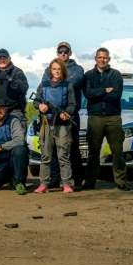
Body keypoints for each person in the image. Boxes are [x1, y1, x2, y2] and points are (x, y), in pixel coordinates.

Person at [82, 47, 129, 191]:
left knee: (117, 151)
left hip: (113, 116)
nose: (102, 60)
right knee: (93, 151)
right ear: (95, 58)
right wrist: (104, 90)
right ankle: (90, 182)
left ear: (109, 59)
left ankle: (121, 182)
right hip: (95, 117)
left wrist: (98, 94)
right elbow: (88, 94)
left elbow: (116, 95)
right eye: (100, 57)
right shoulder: (88, 75)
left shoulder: (116, 75)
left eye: (105, 57)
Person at [42, 42, 85, 187]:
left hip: (71, 114)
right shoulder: (49, 69)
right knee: (52, 149)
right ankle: (55, 179)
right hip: (52, 116)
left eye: (66, 51)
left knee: (72, 148)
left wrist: (58, 82)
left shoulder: (78, 69)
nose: (63, 53)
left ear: (70, 53)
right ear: (57, 52)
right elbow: (44, 86)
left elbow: (74, 82)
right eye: (60, 51)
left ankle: (78, 179)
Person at [33, 58, 77, 194]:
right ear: (50, 70)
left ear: (62, 70)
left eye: (59, 69)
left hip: (62, 125)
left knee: (63, 155)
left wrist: (66, 113)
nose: (56, 71)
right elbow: (36, 101)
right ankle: (43, 184)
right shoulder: (43, 85)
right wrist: (40, 106)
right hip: (46, 124)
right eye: (54, 69)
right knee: (45, 156)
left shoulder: (67, 86)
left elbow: (72, 105)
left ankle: (67, 184)